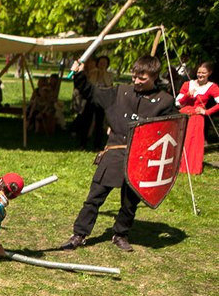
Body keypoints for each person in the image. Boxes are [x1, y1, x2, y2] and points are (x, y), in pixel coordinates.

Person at [60, 55, 175, 252]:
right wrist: (79, 75)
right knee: (95, 197)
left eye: (142, 78)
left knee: (130, 203)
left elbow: (169, 131)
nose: (136, 81)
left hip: (141, 158)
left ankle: (120, 233)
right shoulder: (120, 92)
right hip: (115, 152)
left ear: (155, 76)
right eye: (135, 76)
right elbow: (91, 92)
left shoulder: (165, 102)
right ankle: (79, 234)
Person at [176, 61, 218, 175]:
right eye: (199, 72)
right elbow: (178, 103)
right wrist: (187, 95)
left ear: (209, 73)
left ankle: (190, 167)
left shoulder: (212, 87)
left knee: (192, 142)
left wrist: (206, 111)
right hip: (183, 116)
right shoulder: (187, 84)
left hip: (196, 118)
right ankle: (175, 164)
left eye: (203, 73)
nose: (200, 75)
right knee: (179, 140)